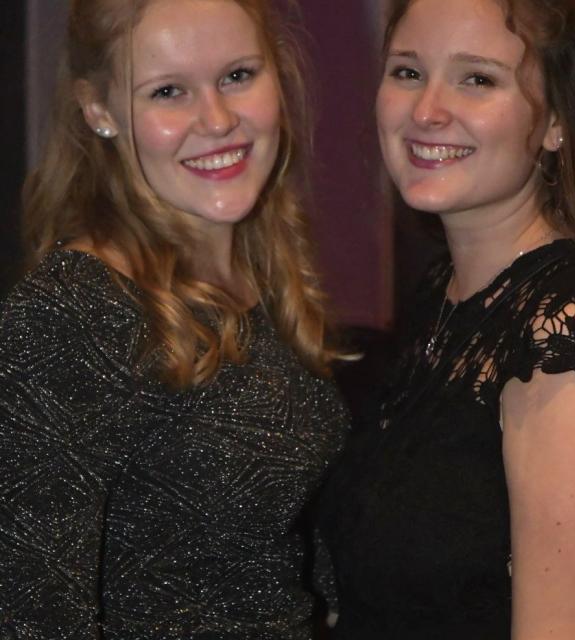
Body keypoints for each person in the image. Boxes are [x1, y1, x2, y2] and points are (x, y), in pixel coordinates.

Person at [0, 0, 349, 638]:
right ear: (99, 110)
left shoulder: (260, 269)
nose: (217, 119)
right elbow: (31, 615)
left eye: (238, 75)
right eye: (168, 91)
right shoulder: (73, 312)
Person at [317, 0, 575, 638]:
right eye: (408, 72)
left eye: (478, 79)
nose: (427, 110)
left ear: (557, 121)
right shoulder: (445, 291)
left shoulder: (570, 327)